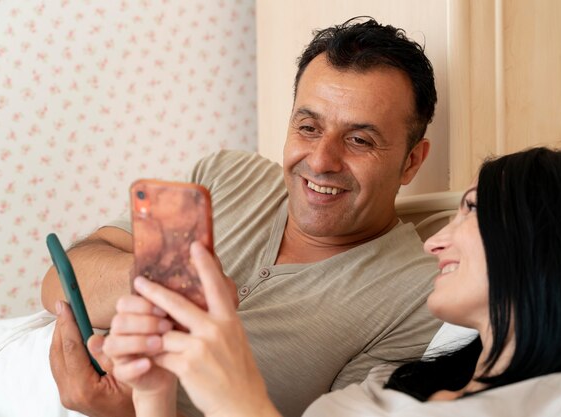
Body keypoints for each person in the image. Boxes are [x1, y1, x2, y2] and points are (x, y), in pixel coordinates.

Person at [40, 17, 442, 417]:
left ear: (411, 162)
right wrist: (157, 280)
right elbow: (56, 283)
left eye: (359, 140)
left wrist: (137, 409)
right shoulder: (227, 176)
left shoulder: (421, 297)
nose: (321, 160)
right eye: (308, 127)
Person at [98, 147, 561, 416]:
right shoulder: (389, 386)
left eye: (472, 211)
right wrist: (154, 396)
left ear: (551, 241)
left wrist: (238, 398)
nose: (434, 241)